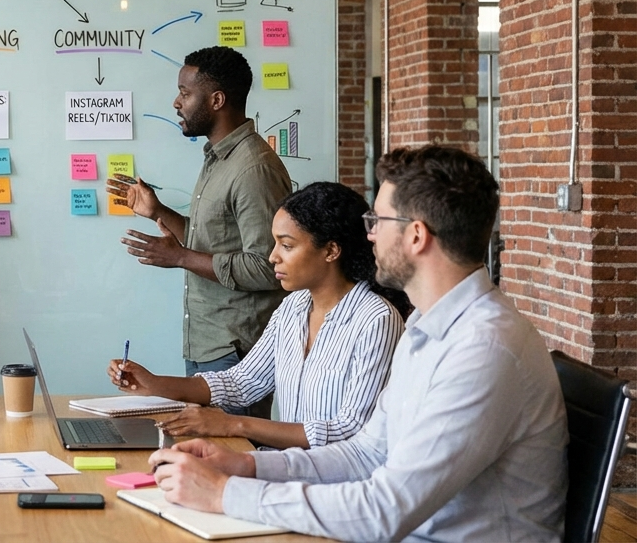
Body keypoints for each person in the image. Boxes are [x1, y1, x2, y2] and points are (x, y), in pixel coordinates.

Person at [149, 146, 568, 542]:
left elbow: (384, 511)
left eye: (378, 222)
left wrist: (225, 494)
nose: (368, 237)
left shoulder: (483, 350)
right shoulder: (427, 323)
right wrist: (244, 465)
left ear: (416, 236)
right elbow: (365, 454)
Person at [109, 182, 406, 449]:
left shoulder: (376, 319)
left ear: (331, 251)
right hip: (291, 469)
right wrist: (154, 383)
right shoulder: (293, 307)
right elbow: (241, 382)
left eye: (287, 245)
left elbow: (349, 430)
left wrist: (233, 424)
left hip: (341, 485)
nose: (273, 256)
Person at [107, 46, 292, 415]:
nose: (177, 102)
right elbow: (217, 237)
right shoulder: (218, 158)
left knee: (228, 459)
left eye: (186, 93)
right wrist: (157, 211)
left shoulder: (253, 168)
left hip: (236, 351)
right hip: (208, 344)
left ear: (217, 100)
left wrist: (180, 257)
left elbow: (267, 266)